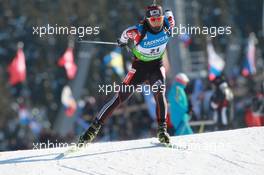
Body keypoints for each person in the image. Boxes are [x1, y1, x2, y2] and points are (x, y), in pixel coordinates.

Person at [78, 3, 175, 145]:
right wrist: (122, 42)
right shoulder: (138, 31)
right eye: (153, 21)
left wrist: (167, 12)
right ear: (147, 20)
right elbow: (125, 33)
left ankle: (162, 130)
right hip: (139, 68)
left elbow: (169, 13)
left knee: (159, 93)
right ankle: (93, 129)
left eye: (158, 20)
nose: (156, 24)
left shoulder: (168, 25)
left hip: (156, 66)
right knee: (120, 98)